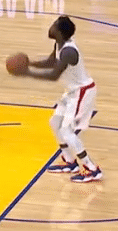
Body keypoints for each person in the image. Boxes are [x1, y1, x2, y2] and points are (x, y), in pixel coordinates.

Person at [12, 16, 102, 183]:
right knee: (54, 122)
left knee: (67, 131)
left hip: (83, 91)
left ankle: (92, 168)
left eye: (54, 25)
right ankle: (69, 162)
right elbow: (51, 62)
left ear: (60, 32)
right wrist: (30, 63)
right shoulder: (59, 44)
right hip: (72, 91)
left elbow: (54, 75)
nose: (50, 27)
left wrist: (27, 73)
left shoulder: (69, 52)